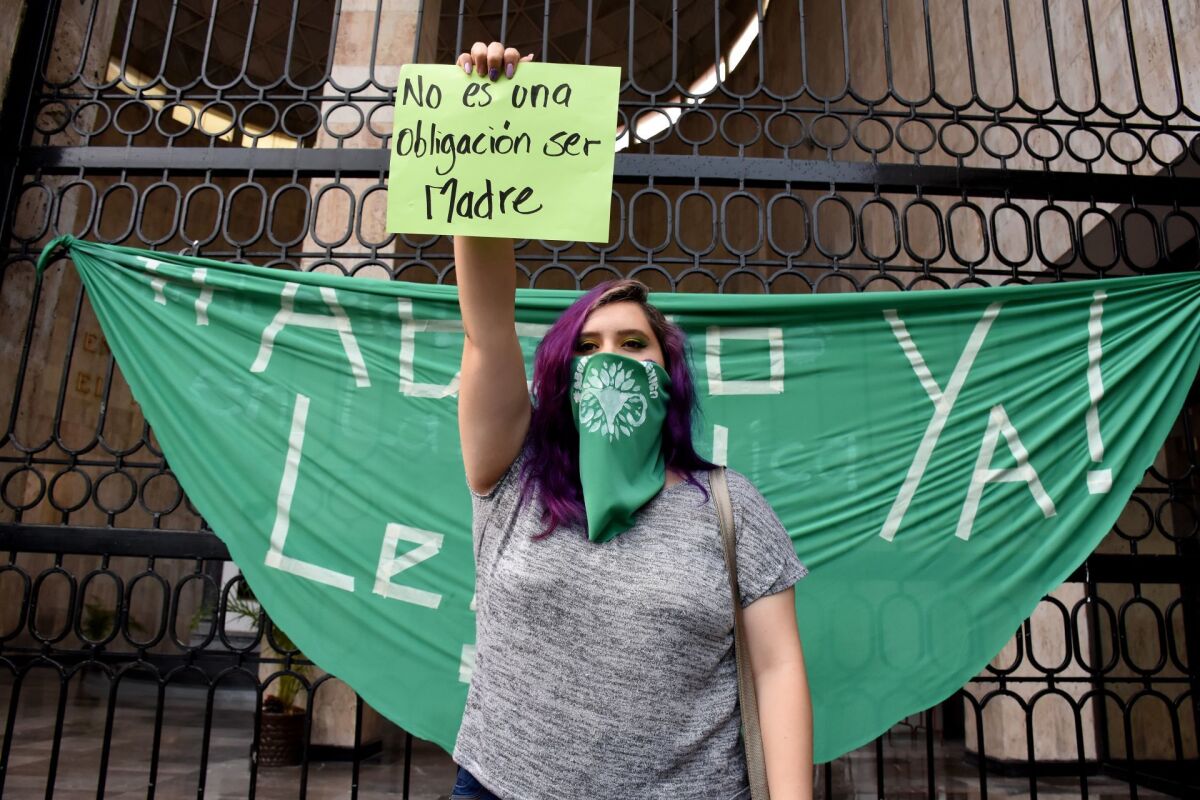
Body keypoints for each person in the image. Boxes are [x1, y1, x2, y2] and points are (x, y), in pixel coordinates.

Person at [448, 41, 814, 800]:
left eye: (632, 344)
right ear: (560, 371)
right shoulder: (513, 470)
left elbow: (778, 668)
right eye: (587, 347)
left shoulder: (729, 506)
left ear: (667, 371)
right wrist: (485, 120)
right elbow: (487, 328)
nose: (609, 360)